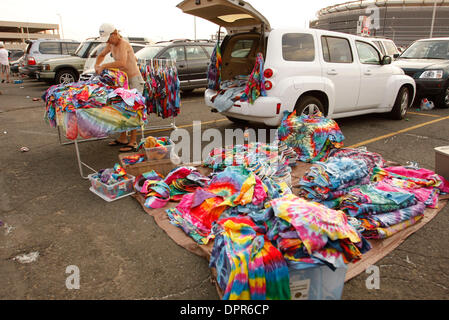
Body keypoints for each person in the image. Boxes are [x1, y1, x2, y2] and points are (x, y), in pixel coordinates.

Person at [95, 23, 145, 152]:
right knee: (122, 110)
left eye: (108, 38)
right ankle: (123, 137)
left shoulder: (123, 44)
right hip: (124, 81)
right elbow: (100, 55)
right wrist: (97, 66)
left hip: (134, 80)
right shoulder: (110, 44)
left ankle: (133, 141)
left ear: (115, 34)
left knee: (133, 110)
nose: (108, 41)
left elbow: (122, 63)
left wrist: (104, 66)